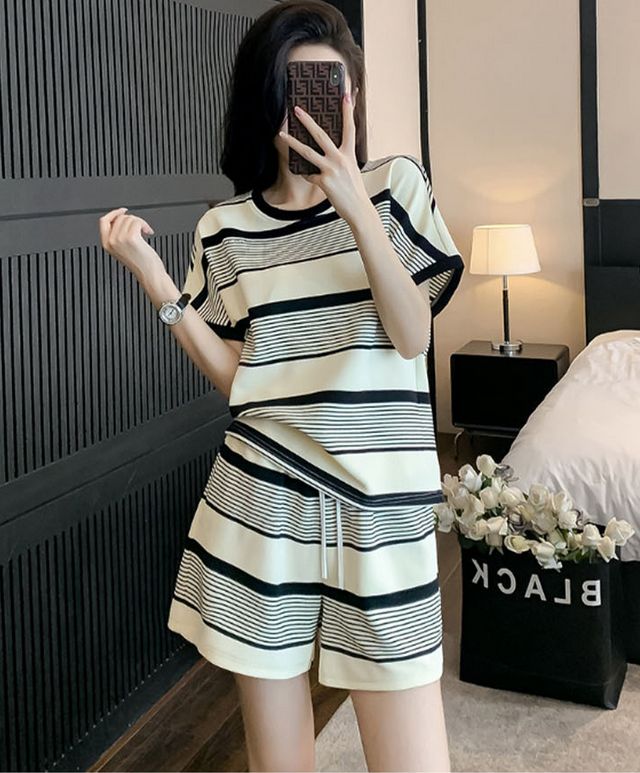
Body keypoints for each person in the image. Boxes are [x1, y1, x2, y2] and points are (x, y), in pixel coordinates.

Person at [99, 1, 464, 770]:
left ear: (353, 98)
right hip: (260, 505)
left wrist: (354, 205)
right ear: (265, 101)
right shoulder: (226, 229)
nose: (315, 109)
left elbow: (412, 334)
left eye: (333, 88)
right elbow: (243, 380)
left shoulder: (395, 187)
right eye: (295, 90)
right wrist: (159, 283)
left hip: (380, 517)